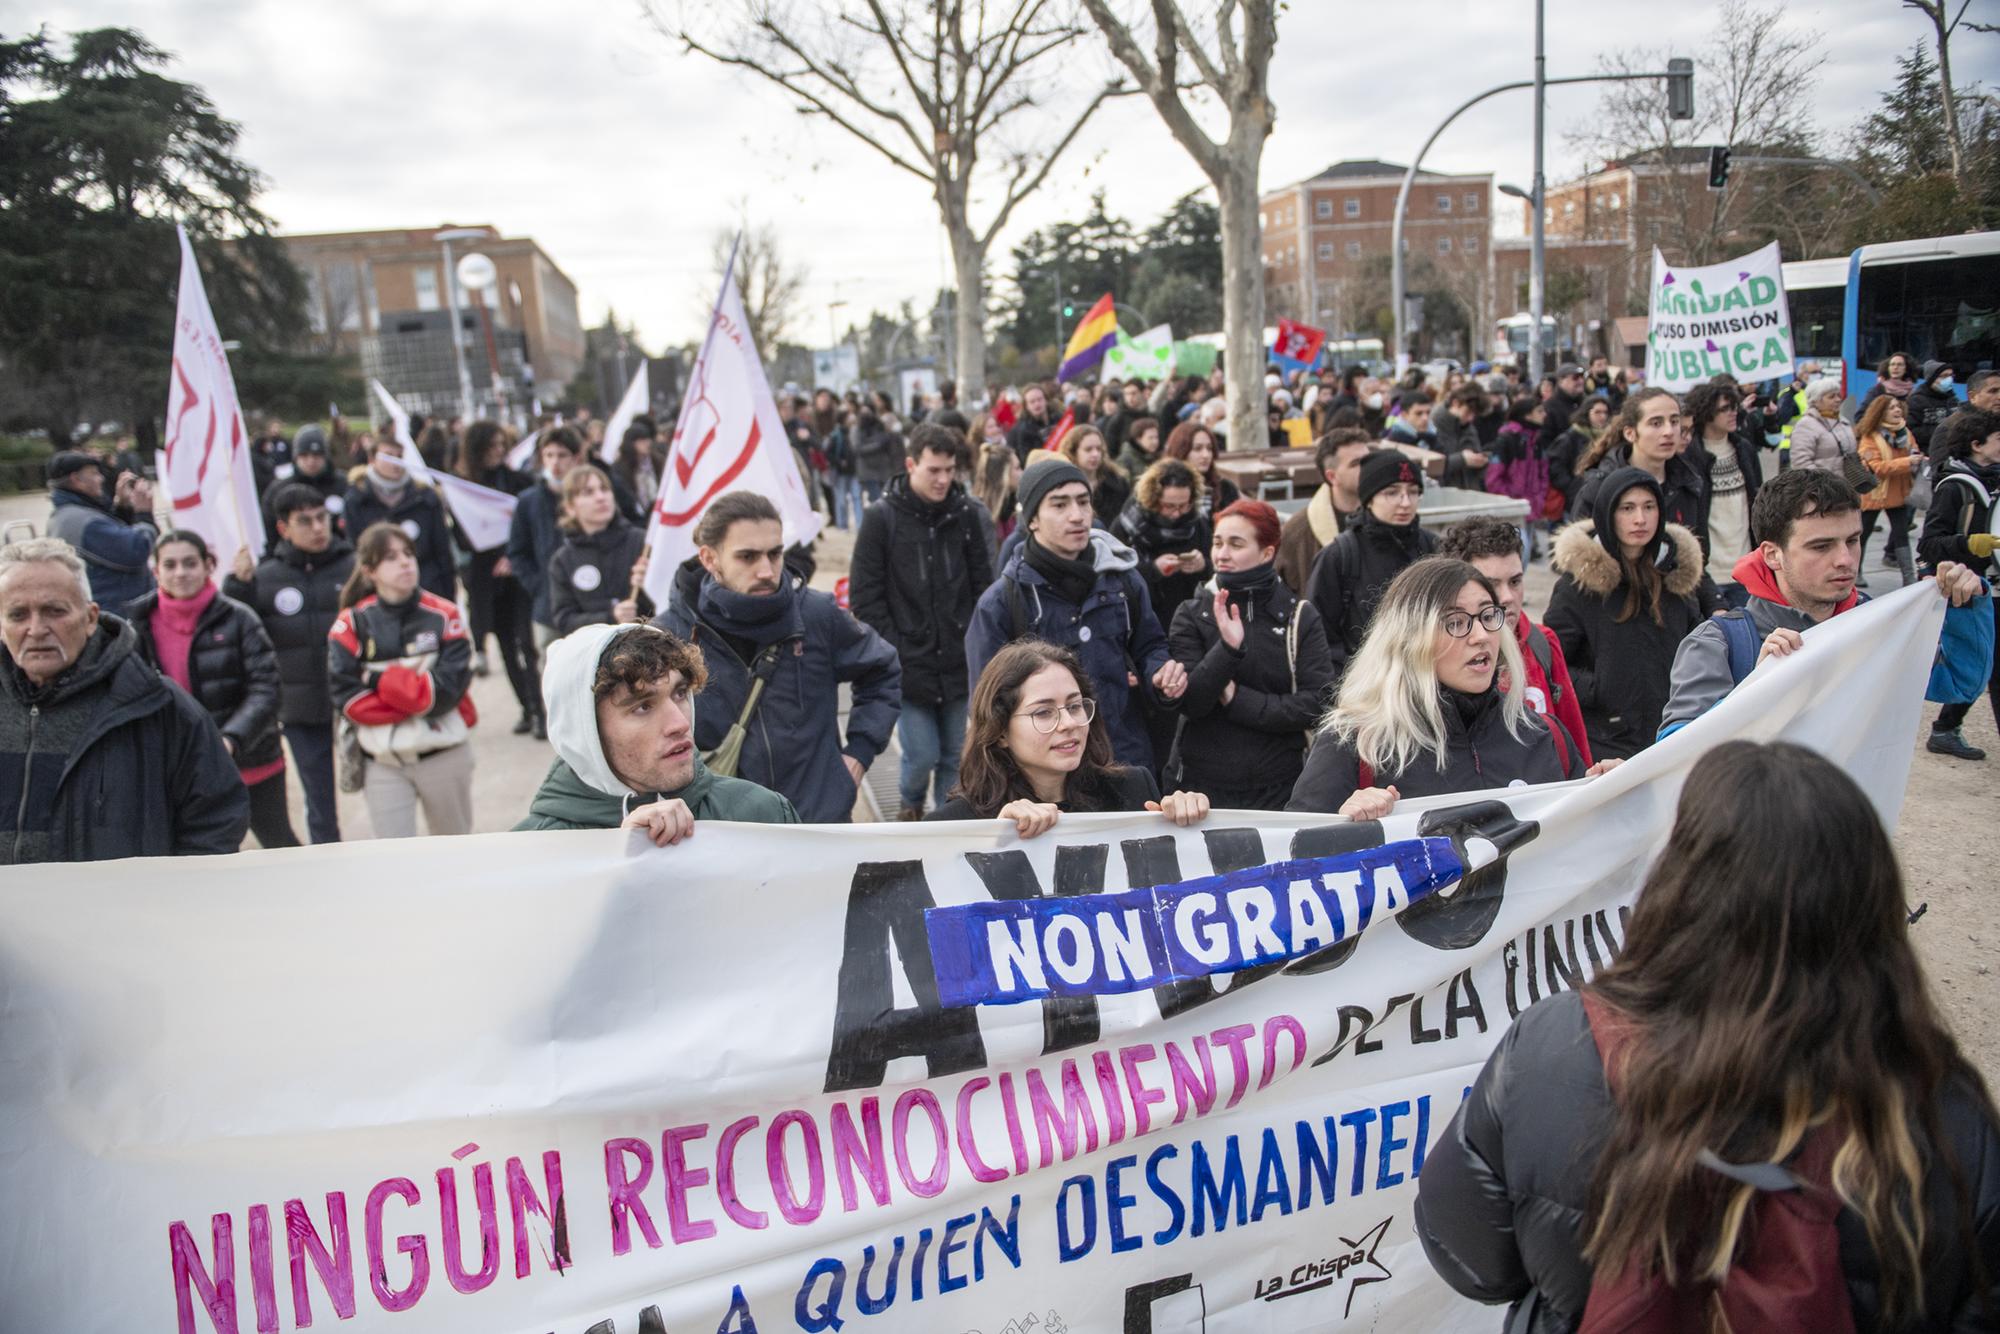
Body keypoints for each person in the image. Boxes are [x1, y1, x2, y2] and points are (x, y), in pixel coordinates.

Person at [1415, 739, 2000, 1333]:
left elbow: (1472, 1260)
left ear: (1679, 881)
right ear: (1872, 902)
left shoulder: (1554, 1047)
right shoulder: (1948, 1118)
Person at [1658, 469, 1985, 739]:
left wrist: (1967, 604)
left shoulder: (1877, 622)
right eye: (1821, 546)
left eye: (1853, 540)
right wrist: (1757, 691)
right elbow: (1673, 753)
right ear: (1773, 554)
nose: (1844, 560)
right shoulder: (1719, 642)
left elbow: (1959, 683)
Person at [1288, 557, 1602, 816]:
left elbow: (1586, 850)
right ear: (1410, 639)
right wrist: (1341, 823)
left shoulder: (1544, 735)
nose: (1480, 635)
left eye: (1487, 616)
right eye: (1455, 622)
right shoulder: (1357, 743)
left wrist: (1615, 792)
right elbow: (1291, 859)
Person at [658, 490, 900, 823]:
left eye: (775, 554)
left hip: (817, 824)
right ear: (710, 559)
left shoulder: (817, 614)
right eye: (747, 557)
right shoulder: (670, 637)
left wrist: (858, 754)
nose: (766, 571)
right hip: (724, 835)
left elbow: (882, 670)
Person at [0, 537, 245, 862]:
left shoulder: (158, 705)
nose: (36, 629)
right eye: (18, 615)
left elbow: (216, 820)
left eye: (54, 611)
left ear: (90, 618)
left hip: (125, 911)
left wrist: (176, 899)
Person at [966, 455, 1184, 770]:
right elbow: (987, 707)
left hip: (1125, 757)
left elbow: (1150, 645)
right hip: (1047, 775)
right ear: (1032, 519)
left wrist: (1161, 674)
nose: (1077, 515)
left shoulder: (1123, 579)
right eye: (1059, 505)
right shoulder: (1001, 604)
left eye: (1084, 502)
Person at [516, 622, 797, 839]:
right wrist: (618, 861)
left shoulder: (762, 815)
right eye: (642, 707)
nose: (680, 724)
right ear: (585, 732)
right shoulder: (526, 858)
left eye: (679, 694)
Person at [849, 424, 996, 820]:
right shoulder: (882, 519)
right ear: (911, 464)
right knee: (920, 755)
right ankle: (909, 809)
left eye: (950, 470)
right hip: (907, 666)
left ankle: (942, 823)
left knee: (954, 755)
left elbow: (985, 586)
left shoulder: (966, 514)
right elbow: (865, 596)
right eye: (934, 470)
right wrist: (895, 648)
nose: (943, 479)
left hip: (958, 664)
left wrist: (973, 642)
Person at [928, 639, 1209, 835]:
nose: (1069, 723)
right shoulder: (954, 825)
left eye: (1075, 706)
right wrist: (995, 841)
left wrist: (1187, 822)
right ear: (1000, 731)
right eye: (1043, 713)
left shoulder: (1133, 790)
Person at [128, 530, 296, 848]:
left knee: (278, 845)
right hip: (179, 771)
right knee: (201, 859)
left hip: (251, 760)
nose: (180, 573)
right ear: (156, 571)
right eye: (171, 564)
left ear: (208, 566)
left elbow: (266, 688)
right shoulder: (137, 625)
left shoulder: (240, 619)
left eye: (190, 563)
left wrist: (231, 739)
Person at [1165, 499, 1335, 809]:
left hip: (1280, 786)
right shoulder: (1192, 613)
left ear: (1267, 552)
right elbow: (1192, 702)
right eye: (1217, 543)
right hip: (1201, 787)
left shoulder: (1300, 617)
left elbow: (1317, 704)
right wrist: (1227, 650)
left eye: (1236, 544)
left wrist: (1237, 699)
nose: (1222, 554)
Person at [224, 483, 355, 845]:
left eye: (321, 518)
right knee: (320, 801)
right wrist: (238, 587)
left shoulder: (354, 567)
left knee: (380, 786)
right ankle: (329, 863)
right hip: (301, 708)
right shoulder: (264, 577)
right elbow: (237, 633)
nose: (318, 528)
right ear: (283, 528)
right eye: (305, 521)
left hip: (355, 703)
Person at [328, 522, 477, 838]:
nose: (406, 562)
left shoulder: (446, 614)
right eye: (391, 557)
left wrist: (374, 678)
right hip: (382, 764)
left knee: (458, 857)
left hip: (444, 755)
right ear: (369, 571)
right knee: (394, 861)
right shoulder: (351, 623)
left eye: (409, 553)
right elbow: (348, 701)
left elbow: (444, 693)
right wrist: (413, 695)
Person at [1544, 469, 1706, 761]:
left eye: (1649, 507)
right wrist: (1600, 688)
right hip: (1606, 741)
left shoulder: (1675, 577)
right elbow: (1553, 661)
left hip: (1671, 733)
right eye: (1627, 508)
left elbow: (1697, 645)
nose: (1640, 519)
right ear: (1608, 514)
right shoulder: (1577, 586)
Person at [1437, 516, 1592, 768]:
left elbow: (1575, 743)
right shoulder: (1441, 650)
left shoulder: (1542, 642)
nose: (1507, 597)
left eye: (1515, 581)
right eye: (1491, 584)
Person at [1305, 449, 1439, 677]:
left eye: (1413, 492)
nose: (1405, 502)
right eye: (1392, 493)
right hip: (1363, 689)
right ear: (1369, 499)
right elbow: (1319, 636)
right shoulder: (1340, 556)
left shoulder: (1433, 547)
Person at [1918, 407, 2000, 759]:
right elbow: (1929, 543)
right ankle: (1944, 728)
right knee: (1992, 667)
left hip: (1990, 587)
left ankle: (1946, 728)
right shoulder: (1955, 487)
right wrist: (1969, 545)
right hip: (1968, 590)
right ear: (1977, 445)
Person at [453, 420, 540, 733]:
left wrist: (511, 555)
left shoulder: (518, 481)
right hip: (486, 578)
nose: (498, 452)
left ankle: (540, 708)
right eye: (491, 447)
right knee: (504, 644)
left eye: (501, 445)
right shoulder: (463, 486)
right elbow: (462, 536)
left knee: (527, 643)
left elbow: (530, 525)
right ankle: (525, 707)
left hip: (518, 576)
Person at [1575, 387, 1709, 555]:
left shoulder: (1689, 483)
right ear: (1631, 433)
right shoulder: (1599, 486)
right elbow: (1578, 557)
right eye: (1656, 423)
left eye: (1674, 422)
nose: (1668, 432)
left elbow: (1700, 555)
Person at [508, 425, 584, 691]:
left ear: (575, 458)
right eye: (549, 455)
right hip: (547, 606)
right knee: (554, 677)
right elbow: (517, 552)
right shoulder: (529, 501)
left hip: (588, 604)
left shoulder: (590, 494)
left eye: (562, 455)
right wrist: (537, 586)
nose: (555, 462)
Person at [343, 433, 456, 603]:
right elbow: (355, 549)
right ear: (372, 459)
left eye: (399, 456)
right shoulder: (357, 499)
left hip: (426, 586)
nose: (396, 462)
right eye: (388, 456)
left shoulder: (425, 497)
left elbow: (441, 549)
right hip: (380, 594)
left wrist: (447, 593)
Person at [1682, 381, 1764, 607]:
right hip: (1708, 571)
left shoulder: (1744, 449)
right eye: (1724, 409)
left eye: (1734, 407)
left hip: (1744, 569)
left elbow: (1758, 501)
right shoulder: (1689, 455)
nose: (1733, 413)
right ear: (1706, 413)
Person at [44, 451, 157, 613]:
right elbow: (136, 549)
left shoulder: (69, 514)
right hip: (118, 611)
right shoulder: (83, 521)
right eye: (95, 473)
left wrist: (122, 508)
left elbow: (108, 547)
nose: (101, 479)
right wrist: (144, 515)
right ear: (77, 479)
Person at [547, 465, 651, 638]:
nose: (601, 497)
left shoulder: (641, 541)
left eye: (604, 489)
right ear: (570, 507)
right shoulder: (563, 560)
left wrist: (649, 584)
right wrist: (610, 616)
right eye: (588, 492)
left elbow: (668, 599)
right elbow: (565, 620)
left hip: (645, 644)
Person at [1114, 459, 1212, 627]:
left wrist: (1203, 565)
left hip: (1189, 617)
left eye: (1183, 505)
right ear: (1152, 498)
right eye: (1169, 506)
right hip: (1145, 617)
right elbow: (1114, 573)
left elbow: (1215, 568)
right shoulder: (1127, 524)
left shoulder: (1197, 523)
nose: (1176, 513)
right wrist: (1153, 569)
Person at [1276, 428, 1372, 594]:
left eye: (1369, 460)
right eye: (1356, 464)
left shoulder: (1388, 518)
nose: (1368, 468)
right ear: (1332, 476)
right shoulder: (1298, 532)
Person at [1855, 391, 1920, 589]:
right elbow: (1876, 466)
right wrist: (1907, 462)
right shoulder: (1870, 436)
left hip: (1898, 492)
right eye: (1891, 408)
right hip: (1874, 492)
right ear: (1880, 412)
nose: (1897, 410)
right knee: (1863, 534)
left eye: (1898, 407)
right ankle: (1855, 572)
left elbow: (1913, 450)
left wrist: (1916, 458)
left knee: (1901, 534)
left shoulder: (1905, 432)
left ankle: (1909, 577)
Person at [267, 424, 349, 542]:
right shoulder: (279, 490)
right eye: (304, 455)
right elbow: (270, 528)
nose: (311, 461)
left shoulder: (343, 484)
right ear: (296, 458)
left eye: (316, 455)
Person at [1161, 419, 1242, 513]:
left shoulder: (1225, 488)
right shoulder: (1160, 487)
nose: (1206, 455)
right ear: (1180, 451)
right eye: (1197, 449)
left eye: (1209, 448)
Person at [1056, 423, 1130, 526]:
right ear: (1073, 452)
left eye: (1098, 449)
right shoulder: (1061, 484)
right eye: (1088, 449)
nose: (1095, 454)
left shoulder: (1118, 482)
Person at [1928, 368, 2000, 469]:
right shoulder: (1951, 426)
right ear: (1972, 396)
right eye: (1993, 391)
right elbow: (1940, 471)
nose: (1999, 396)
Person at [1787, 376, 1858, 476]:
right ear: (1816, 400)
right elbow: (1800, 463)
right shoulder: (1806, 425)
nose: (1838, 400)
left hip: (1847, 486)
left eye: (1838, 395)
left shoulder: (1843, 421)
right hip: (1823, 488)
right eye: (1831, 397)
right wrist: (1826, 483)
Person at [1433, 386, 1492, 491]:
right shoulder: (1433, 426)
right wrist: (1461, 460)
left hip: (1470, 493)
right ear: (1455, 403)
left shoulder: (1469, 429)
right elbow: (1430, 467)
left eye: (1474, 414)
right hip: (1443, 494)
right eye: (1468, 412)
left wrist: (1483, 459)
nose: (1471, 418)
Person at [1907, 359, 1961, 457]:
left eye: (1951, 375)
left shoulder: (1954, 399)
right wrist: (1944, 432)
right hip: (1929, 453)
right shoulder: (1917, 400)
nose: (1949, 379)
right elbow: (1911, 431)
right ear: (1932, 379)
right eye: (1944, 376)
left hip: (1954, 451)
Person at [1007, 382, 1058, 461]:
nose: (1037, 404)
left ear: (1046, 400)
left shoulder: (1059, 419)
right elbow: (1026, 460)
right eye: (1032, 402)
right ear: (1026, 406)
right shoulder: (1023, 430)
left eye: (1039, 399)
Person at [1114, 415, 1163, 480]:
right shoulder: (1124, 461)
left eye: (1156, 437)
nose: (1155, 442)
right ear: (1138, 439)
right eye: (1150, 438)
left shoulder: (1159, 458)